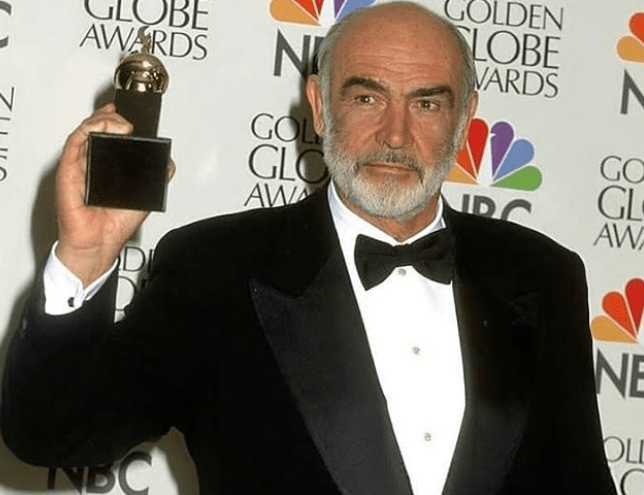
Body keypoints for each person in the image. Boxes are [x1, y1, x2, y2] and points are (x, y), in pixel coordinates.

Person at [1, 2, 616, 494]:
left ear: (465, 119)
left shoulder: (543, 275)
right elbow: (53, 434)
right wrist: (84, 256)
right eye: (367, 97)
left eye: (427, 103)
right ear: (320, 106)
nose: (396, 134)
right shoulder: (214, 269)